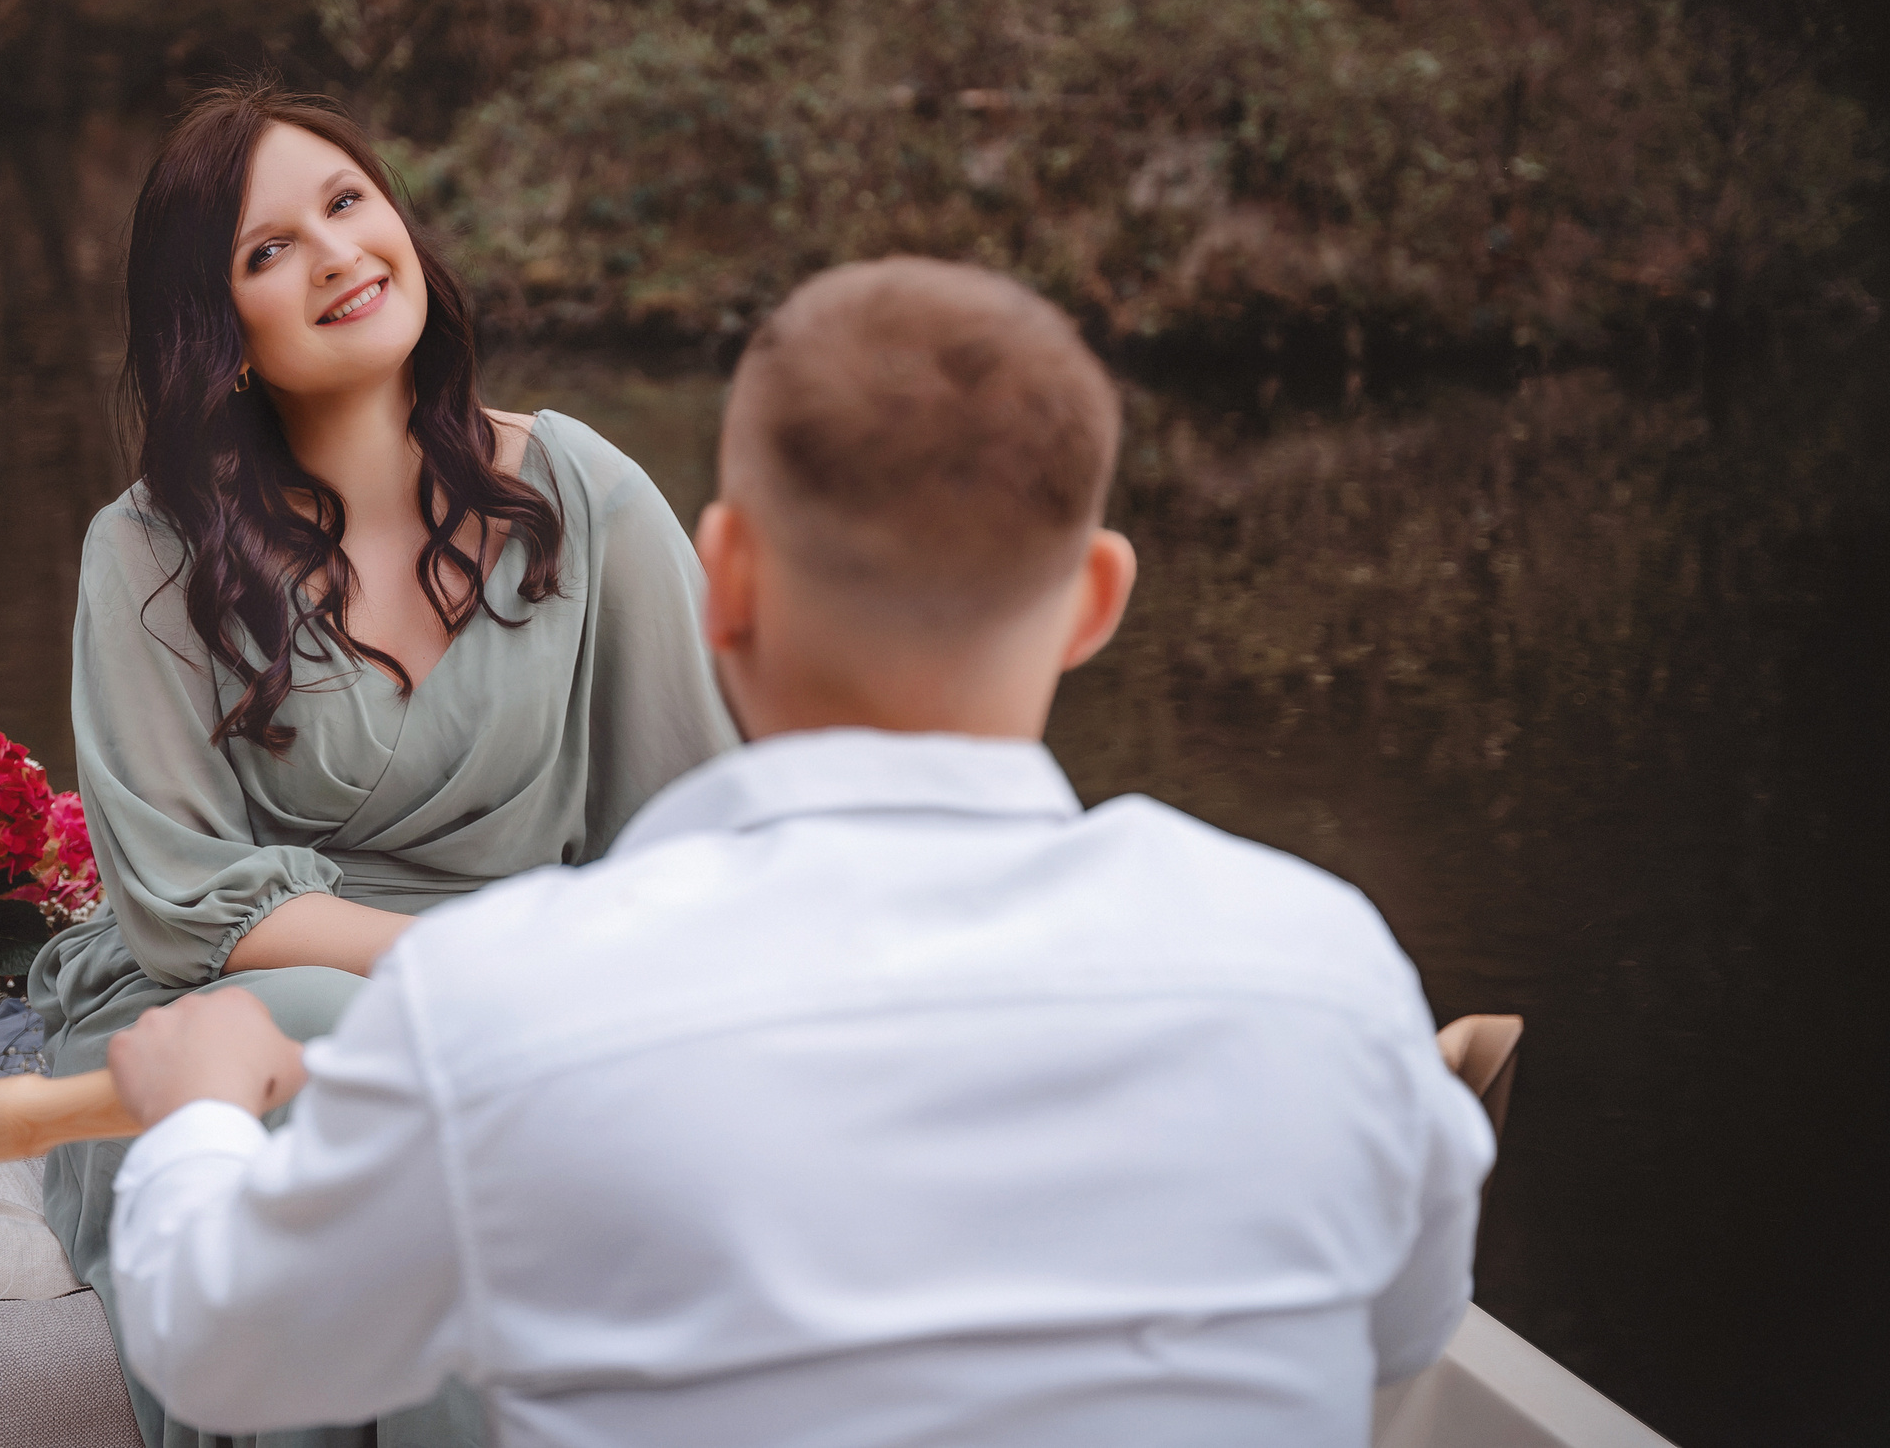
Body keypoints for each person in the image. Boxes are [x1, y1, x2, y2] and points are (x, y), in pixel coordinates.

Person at [101, 258, 1498, 1447]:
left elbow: (222, 1350)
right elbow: (1404, 1332)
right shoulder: (1326, 963)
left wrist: (205, 1114)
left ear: (729, 581)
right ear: (1097, 600)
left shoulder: (497, 1008)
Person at [27, 80, 736, 1448]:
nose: (337, 253)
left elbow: (696, 830)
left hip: (521, 987)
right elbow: (184, 899)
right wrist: (454, 976)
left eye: (347, 204)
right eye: (266, 250)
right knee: (359, 1050)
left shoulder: (582, 495)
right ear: (219, 333)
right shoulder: (149, 556)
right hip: (240, 996)